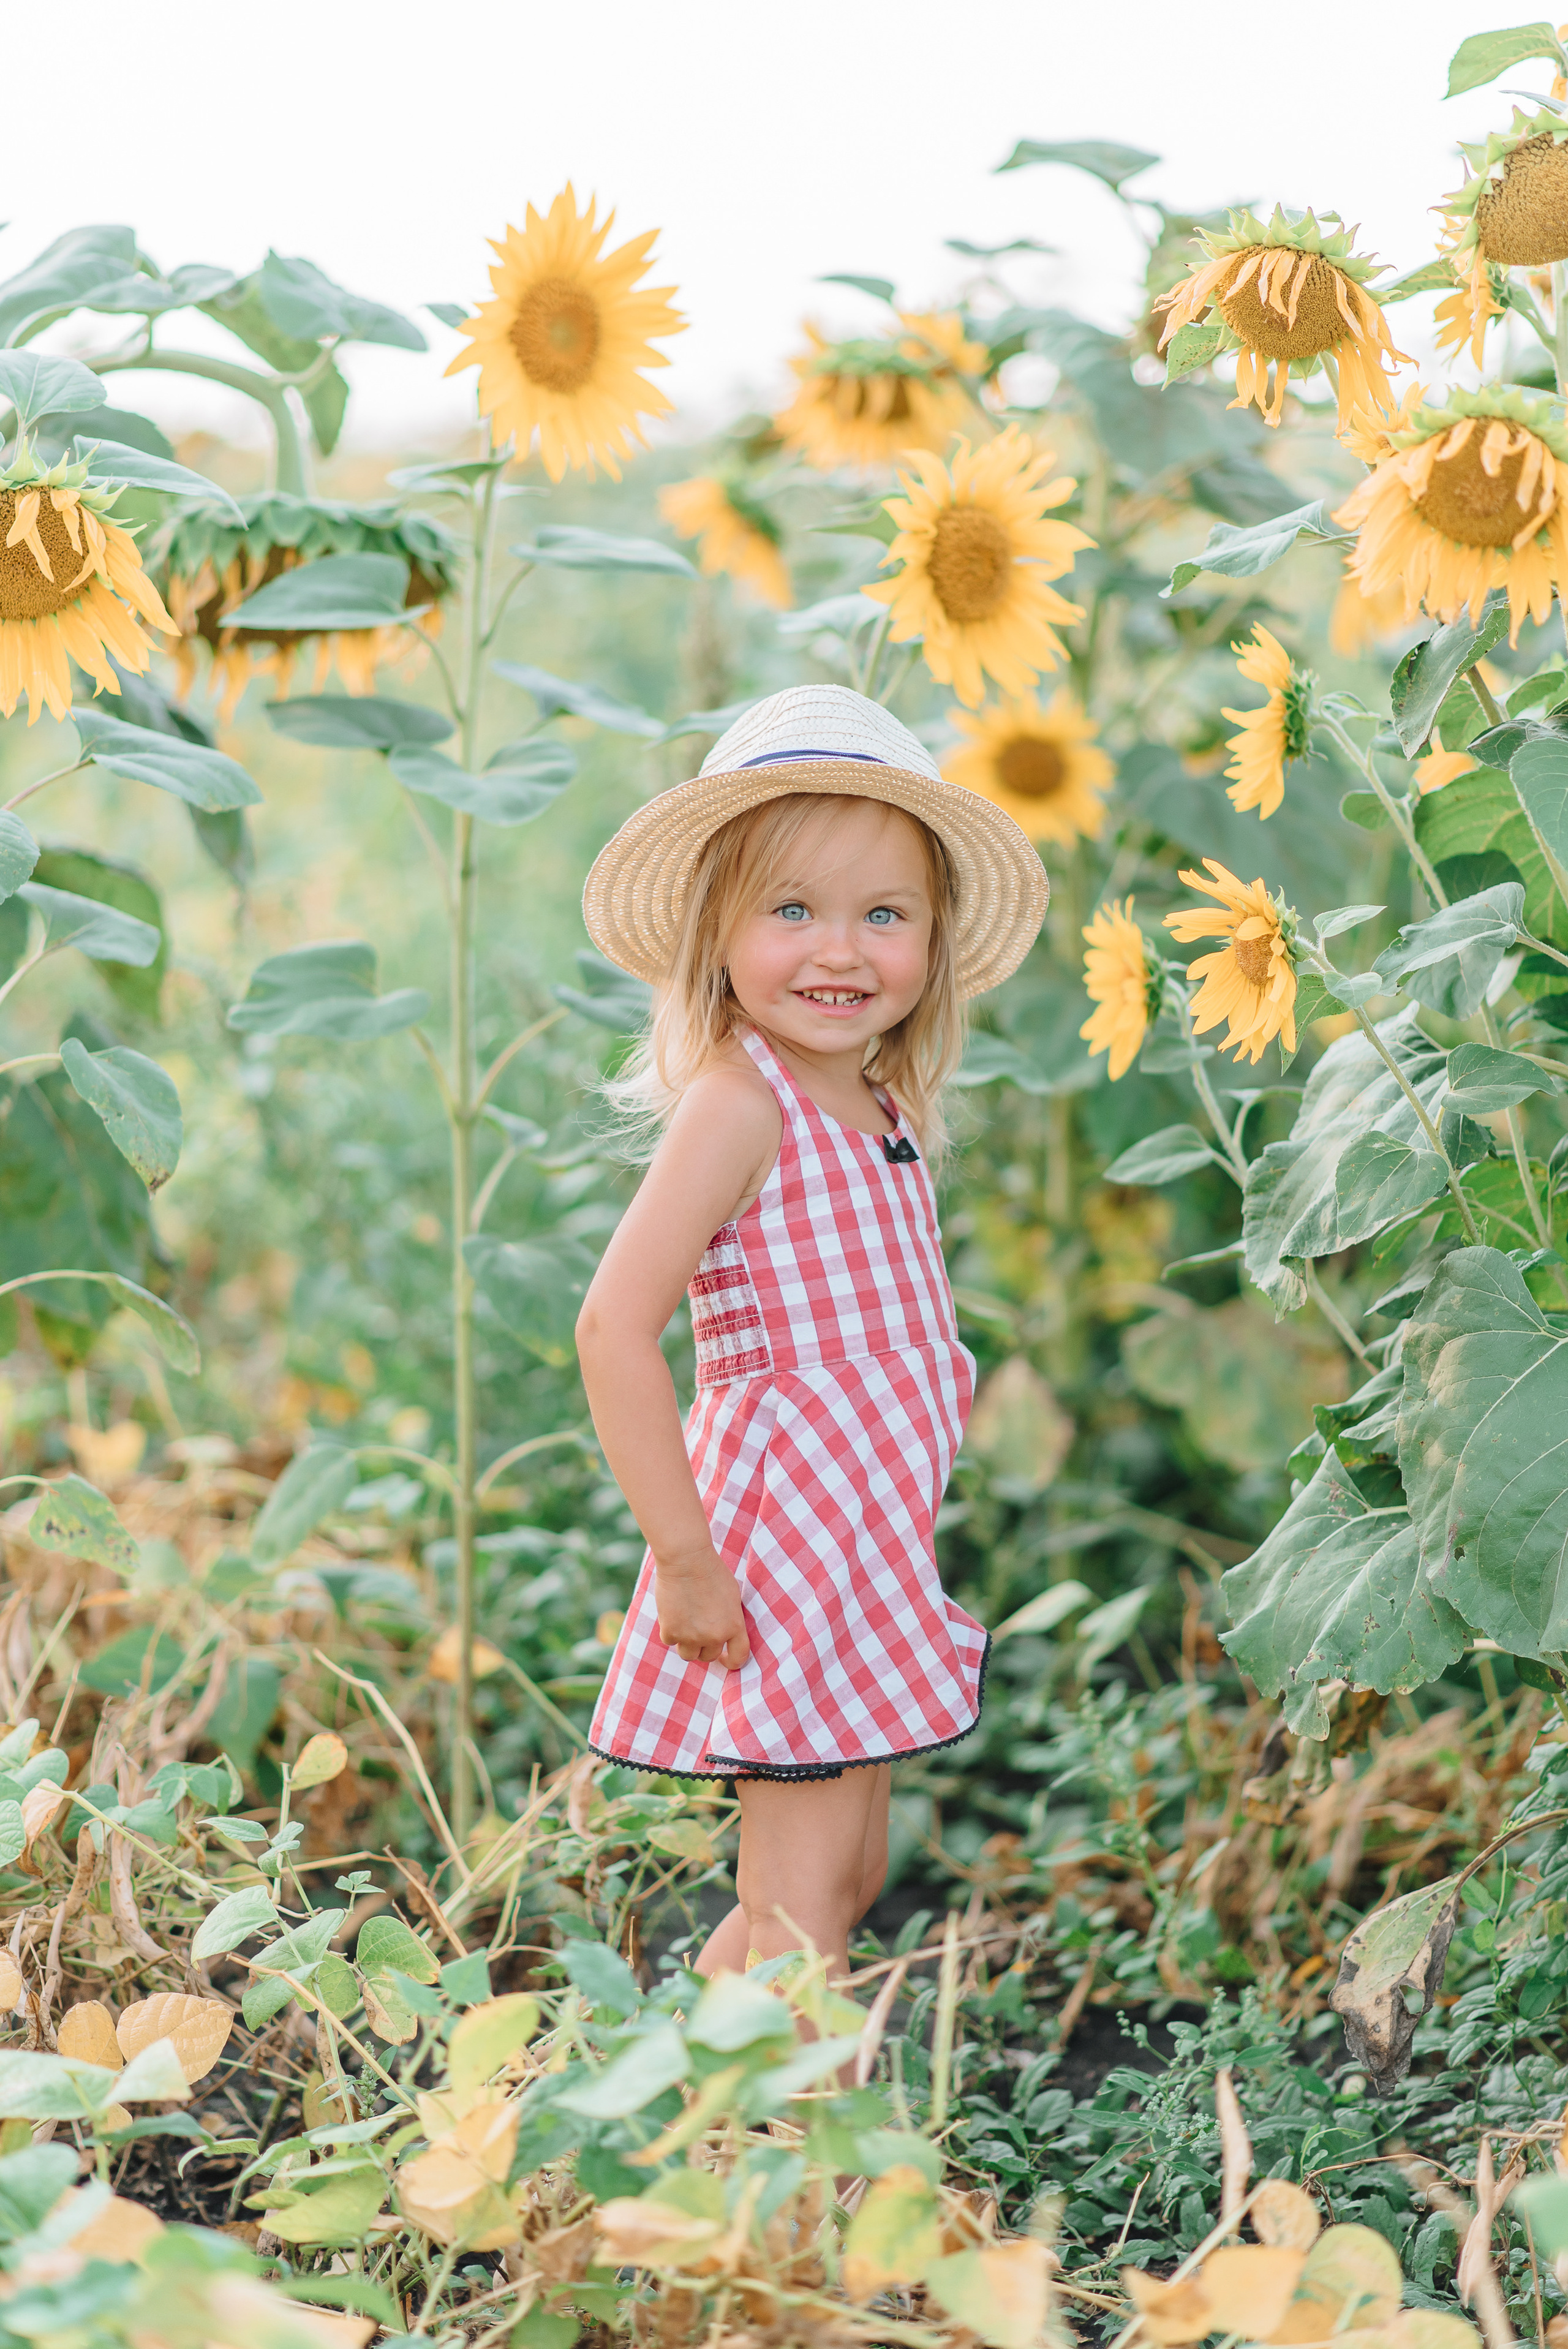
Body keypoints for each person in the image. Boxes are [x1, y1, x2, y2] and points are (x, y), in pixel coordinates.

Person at [575, 683, 1048, 1986]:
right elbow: (612, 1328)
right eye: (790, 910)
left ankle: (676, 2084)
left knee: (841, 1879)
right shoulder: (741, 1104)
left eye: (883, 915)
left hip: (864, 1552)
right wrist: (685, 1559)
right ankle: (786, 2120)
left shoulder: (881, 1104)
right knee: (798, 1906)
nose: (838, 951)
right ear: (715, 933)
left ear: (933, 939)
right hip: (778, 1554)